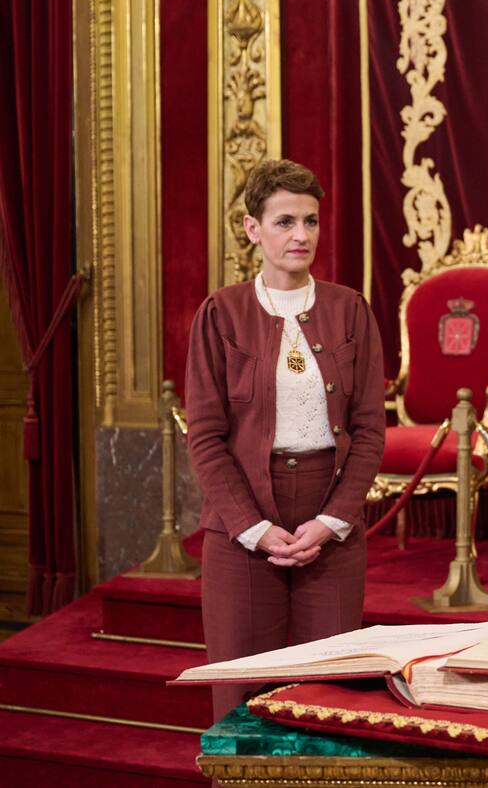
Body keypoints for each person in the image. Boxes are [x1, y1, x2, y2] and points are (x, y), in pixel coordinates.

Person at [186, 159, 385, 719]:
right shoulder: (221, 314)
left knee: (329, 698)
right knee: (243, 697)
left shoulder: (351, 310)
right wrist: (252, 527)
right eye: (285, 222)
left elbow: (370, 430)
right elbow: (205, 436)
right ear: (252, 228)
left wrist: (333, 520)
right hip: (241, 523)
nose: (301, 235)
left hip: (331, 524)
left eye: (311, 221)